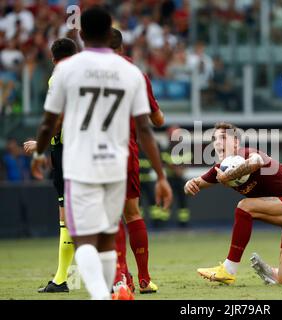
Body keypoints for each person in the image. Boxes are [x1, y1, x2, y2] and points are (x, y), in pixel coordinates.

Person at [30, 7, 172, 300]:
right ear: (110, 33)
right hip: (117, 157)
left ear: (81, 35)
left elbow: (51, 121)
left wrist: (40, 151)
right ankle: (120, 285)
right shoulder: (130, 71)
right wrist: (160, 174)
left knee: (81, 232)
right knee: (113, 226)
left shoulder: (67, 69)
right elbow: (146, 129)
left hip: (80, 159)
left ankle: (105, 289)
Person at [185, 122, 282, 285]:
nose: (218, 142)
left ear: (235, 142)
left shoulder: (247, 153)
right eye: (215, 139)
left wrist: (228, 177)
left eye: (223, 137)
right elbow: (195, 184)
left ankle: (229, 269)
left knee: (245, 207)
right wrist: (189, 184)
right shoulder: (221, 168)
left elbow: (256, 162)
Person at [108, 28, 165, 297]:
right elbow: (156, 120)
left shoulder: (85, 73)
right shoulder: (136, 75)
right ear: (121, 47)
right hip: (126, 148)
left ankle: (121, 278)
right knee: (132, 212)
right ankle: (143, 279)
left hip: (95, 151)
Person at [23, 38, 78, 293]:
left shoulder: (59, 77)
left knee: (66, 216)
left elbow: (58, 117)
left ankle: (60, 279)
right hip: (92, 150)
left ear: (54, 58)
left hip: (66, 150)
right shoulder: (88, 75)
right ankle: (117, 275)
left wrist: (41, 145)